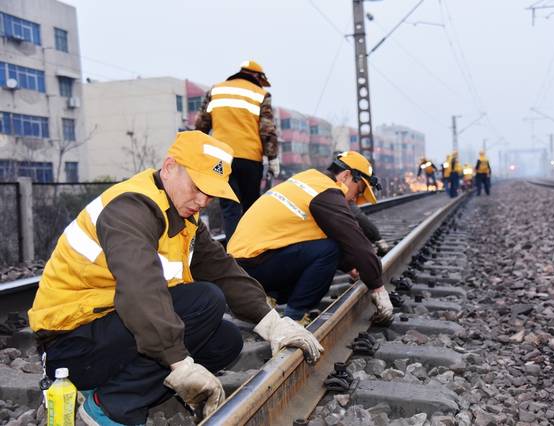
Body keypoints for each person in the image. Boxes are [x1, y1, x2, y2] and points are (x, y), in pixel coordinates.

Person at [28, 131, 322, 426]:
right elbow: (141, 292)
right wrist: (180, 363)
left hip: (111, 333)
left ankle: (119, 388)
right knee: (204, 301)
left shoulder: (183, 217)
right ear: (169, 168)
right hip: (69, 347)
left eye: (211, 193)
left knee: (226, 341)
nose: (204, 200)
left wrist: (274, 324)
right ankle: (110, 407)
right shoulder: (129, 209)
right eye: (198, 187)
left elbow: (222, 270)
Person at [227, 151, 394, 325]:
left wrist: (349, 266)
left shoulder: (309, 180)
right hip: (253, 264)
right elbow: (355, 240)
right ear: (346, 176)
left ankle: (266, 295)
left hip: (240, 266)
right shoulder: (326, 192)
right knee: (330, 250)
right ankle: (293, 319)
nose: (354, 198)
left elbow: (316, 235)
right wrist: (378, 288)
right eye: (359, 191)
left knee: (328, 248)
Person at [195, 60, 278, 239]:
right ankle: (252, 248)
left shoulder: (215, 91)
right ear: (257, 76)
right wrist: (272, 158)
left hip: (221, 158)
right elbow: (267, 129)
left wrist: (196, 149)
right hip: (250, 159)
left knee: (230, 207)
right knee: (250, 207)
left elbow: (201, 124)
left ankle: (235, 252)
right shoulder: (261, 95)